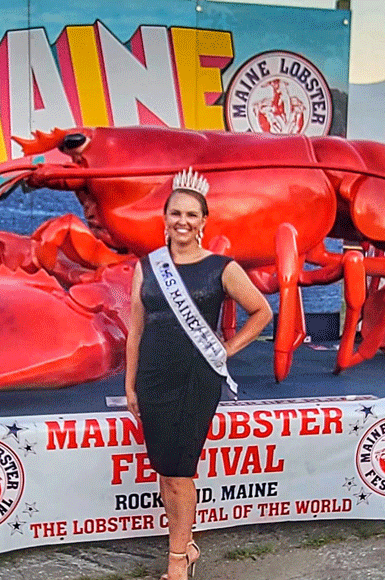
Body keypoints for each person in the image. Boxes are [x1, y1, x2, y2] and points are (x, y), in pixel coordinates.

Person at [124, 169, 273, 580]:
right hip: (153, 378)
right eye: (176, 213)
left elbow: (262, 311)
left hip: (196, 379)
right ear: (165, 218)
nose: (183, 221)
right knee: (164, 468)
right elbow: (136, 330)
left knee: (179, 470)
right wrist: (130, 384)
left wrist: (227, 349)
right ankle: (184, 543)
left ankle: (177, 561)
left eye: (192, 214)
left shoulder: (221, 267)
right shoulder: (147, 268)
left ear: (204, 222)